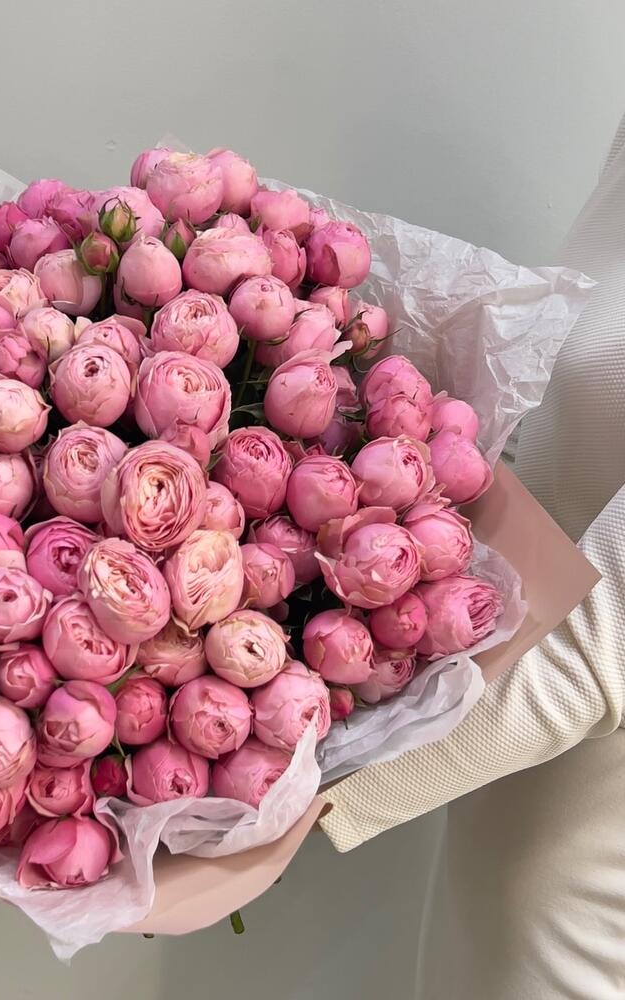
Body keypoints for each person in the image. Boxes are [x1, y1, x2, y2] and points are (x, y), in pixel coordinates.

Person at [319, 113, 625, 999]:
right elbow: (565, 425)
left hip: (592, 843)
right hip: (512, 773)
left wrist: (286, 788)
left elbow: (607, 642)